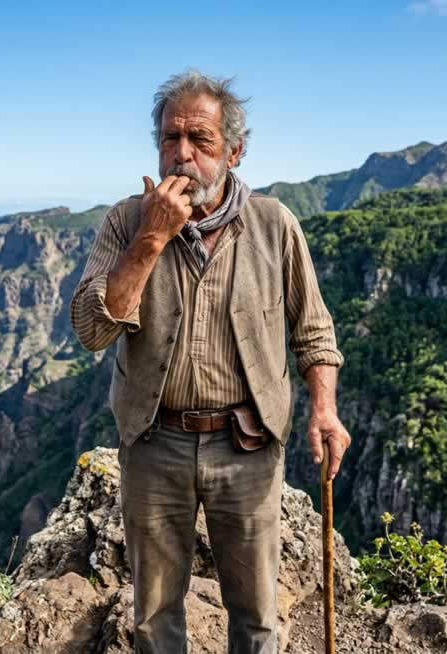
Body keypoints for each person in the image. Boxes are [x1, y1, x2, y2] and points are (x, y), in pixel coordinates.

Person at [69, 68, 350, 654]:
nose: (182, 155)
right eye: (171, 139)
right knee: (153, 614)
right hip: (154, 441)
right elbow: (92, 329)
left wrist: (324, 408)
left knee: (256, 612)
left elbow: (313, 327)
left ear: (235, 151)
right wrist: (150, 240)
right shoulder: (127, 221)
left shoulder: (274, 225)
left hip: (246, 444)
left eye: (201, 140)